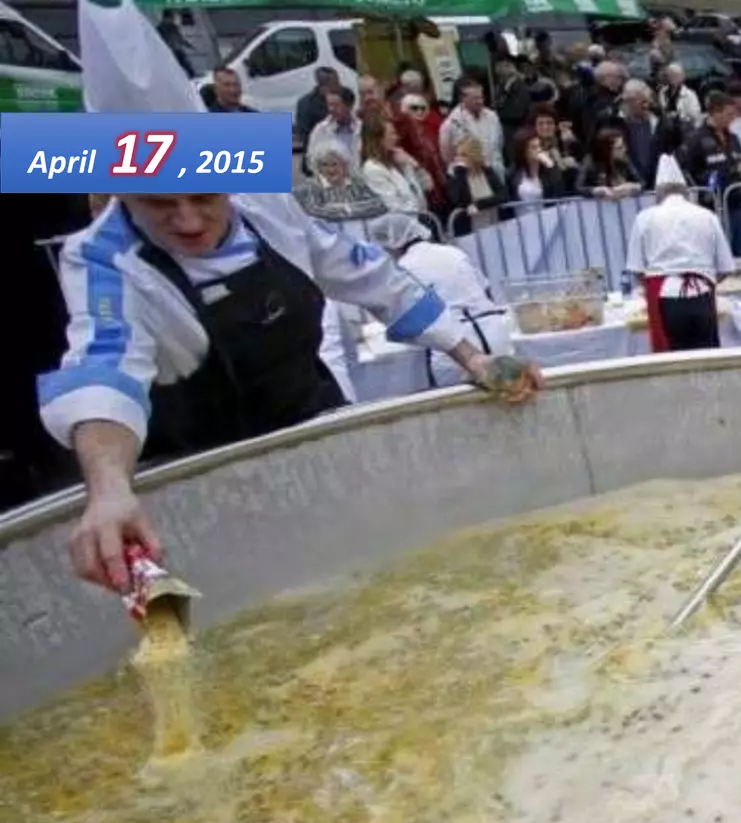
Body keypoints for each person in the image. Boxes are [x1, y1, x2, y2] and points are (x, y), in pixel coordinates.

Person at [42, 0, 543, 595]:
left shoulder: (268, 206)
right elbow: (103, 368)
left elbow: (371, 277)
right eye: (157, 204)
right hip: (209, 485)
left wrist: (472, 356)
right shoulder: (99, 258)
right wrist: (108, 490)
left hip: (319, 444)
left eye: (204, 196)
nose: (187, 220)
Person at [361, 213, 513, 391]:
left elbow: (408, 314)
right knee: (509, 391)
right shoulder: (453, 252)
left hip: (453, 344)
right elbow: (484, 289)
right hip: (494, 330)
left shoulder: (403, 268)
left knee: (460, 406)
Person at [627, 156, 737, 352]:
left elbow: (635, 269)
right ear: (686, 192)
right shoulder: (707, 215)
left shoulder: (644, 218)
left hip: (665, 297)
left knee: (673, 362)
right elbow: (726, 267)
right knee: (708, 358)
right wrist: (705, 276)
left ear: (658, 194)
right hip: (702, 295)